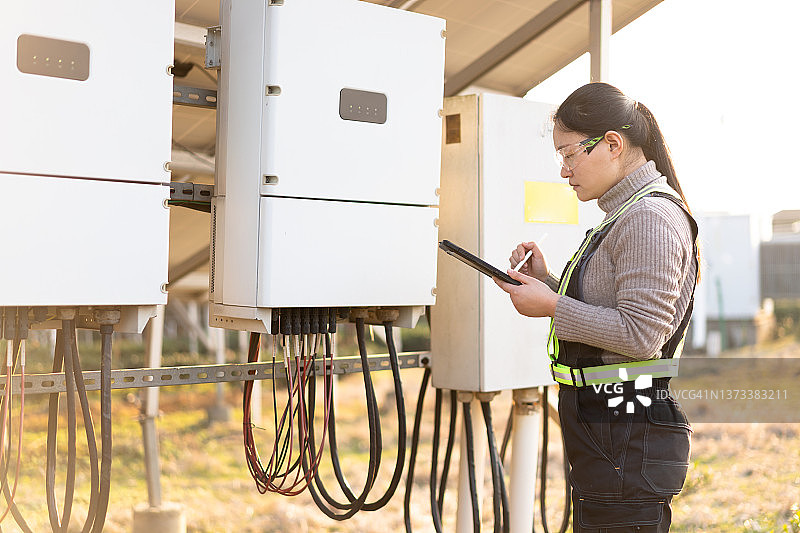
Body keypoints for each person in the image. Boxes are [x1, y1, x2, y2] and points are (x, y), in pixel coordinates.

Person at [494, 82, 698, 532]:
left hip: (625, 432)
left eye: (569, 154)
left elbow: (642, 335)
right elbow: (612, 312)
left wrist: (551, 305)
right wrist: (548, 283)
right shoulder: (627, 214)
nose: (564, 170)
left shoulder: (648, 218)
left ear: (612, 144)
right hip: (612, 430)